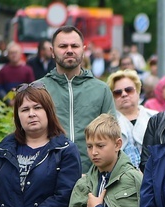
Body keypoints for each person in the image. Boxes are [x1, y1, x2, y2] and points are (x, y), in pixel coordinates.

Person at [39, 26, 116, 173]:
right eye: (63, 46)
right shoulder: (39, 90)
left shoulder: (101, 90)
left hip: (92, 177)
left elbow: (113, 137)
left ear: (83, 50)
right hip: (48, 178)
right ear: (52, 52)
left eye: (74, 46)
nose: (69, 50)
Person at [107, 69, 158, 167]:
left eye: (129, 90)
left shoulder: (155, 117)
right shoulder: (107, 123)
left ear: (138, 91)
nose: (124, 94)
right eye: (117, 92)